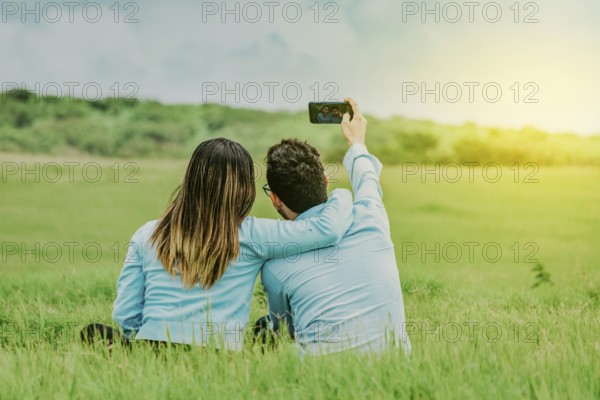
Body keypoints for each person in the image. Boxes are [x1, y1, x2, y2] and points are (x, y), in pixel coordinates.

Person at [81, 138, 353, 350]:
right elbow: (327, 229)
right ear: (244, 188)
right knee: (265, 329)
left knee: (94, 332)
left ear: (190, 179)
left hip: (150, 348)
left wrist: (136, 339)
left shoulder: (147, 234)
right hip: (220, 356)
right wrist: (341, 193)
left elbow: (126, 315)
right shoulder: (254, 234)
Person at [260, 99, 411, 355]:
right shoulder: (370, 218)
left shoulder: (275, 265)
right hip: (398, 371)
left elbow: (285, 329)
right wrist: (357, 142)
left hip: (319, 384)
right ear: (326, 181)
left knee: (264, 328)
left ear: (275, 199)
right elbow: (366, 179)